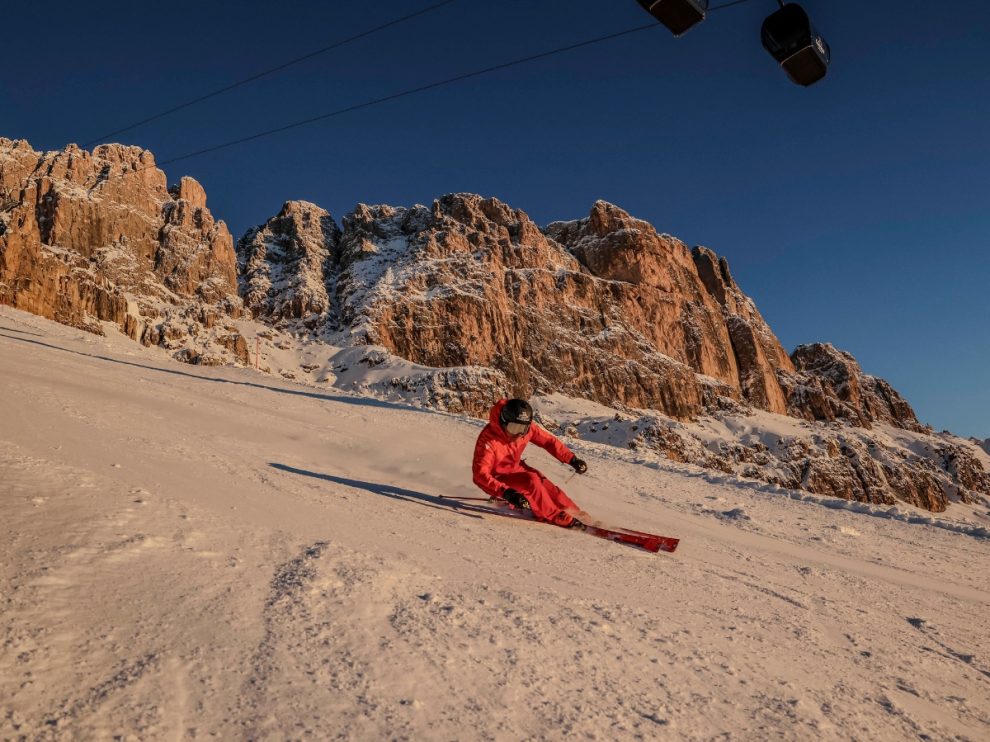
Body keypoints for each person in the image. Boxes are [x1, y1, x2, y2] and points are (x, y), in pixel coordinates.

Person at [472, 398, 588, 528]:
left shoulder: (526, 430)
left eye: (523, 429)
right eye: (513, 428)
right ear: (503, 422)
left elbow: (548, 441)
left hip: (515, 469)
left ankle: (574, 512)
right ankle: (555, 516)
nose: (518, 434)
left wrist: (571, 459)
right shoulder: (488, 440)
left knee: (542, 481)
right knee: (531, 481)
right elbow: (480, 475)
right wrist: (506, 492)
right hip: (498, 479)